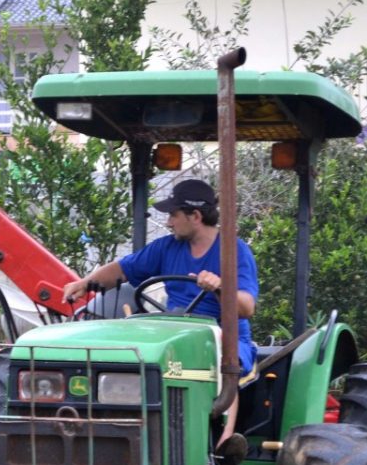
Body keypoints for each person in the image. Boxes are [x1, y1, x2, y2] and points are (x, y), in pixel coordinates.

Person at [61, 178, 259, 450]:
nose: (168, 223)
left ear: (196, 216)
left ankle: (224, 449)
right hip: (175, 329)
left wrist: (221, 287)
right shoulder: (167, 247)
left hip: (223, 334)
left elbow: (247, 307)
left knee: (225, 362)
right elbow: (122, 269)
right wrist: (85, 283)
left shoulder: (234, 251)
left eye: (173, 215)